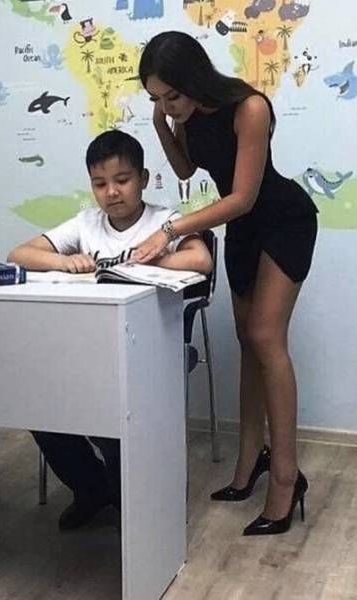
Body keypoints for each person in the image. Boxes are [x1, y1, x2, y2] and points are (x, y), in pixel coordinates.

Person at [134, 31, 318, 536]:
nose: (168, 106)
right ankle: (248, 464)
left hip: (283, 220)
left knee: (265, 337)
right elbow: (187, 167)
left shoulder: (249, 107)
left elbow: (241, 196)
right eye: (156, 98)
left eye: (171, 96)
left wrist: (170, 228)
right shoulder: (187, 116)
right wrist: (160, 123)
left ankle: (285, 478)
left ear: (194, 78)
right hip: (243, 230)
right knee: (246, 341)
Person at [8, 129, 212, 529]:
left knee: (113, 414)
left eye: (122, 180)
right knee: (40, 409)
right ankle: (93, 489)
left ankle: (136, 495)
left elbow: (200, 259)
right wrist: (63, 262)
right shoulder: (87, 223)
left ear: (142, 177)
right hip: (87, 348)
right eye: (100, 184)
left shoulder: (164, 221)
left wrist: (139, 264)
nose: (112, 192)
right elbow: (20, 254)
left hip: (151, 346)